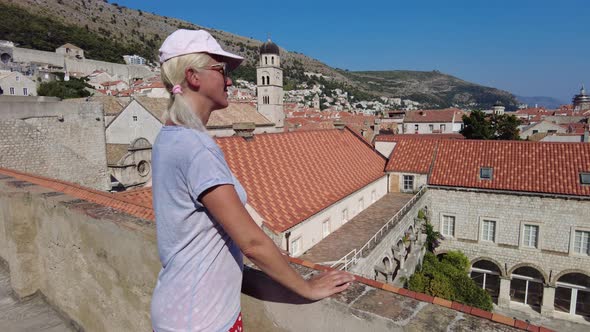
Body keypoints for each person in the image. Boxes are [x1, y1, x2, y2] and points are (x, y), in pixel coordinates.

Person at [151, 29, 354, 332]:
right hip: (201, 319)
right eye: (222, 70)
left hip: (179, 309)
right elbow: (252, 243)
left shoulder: (167, 137)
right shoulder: (196, 147)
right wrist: (307, 288)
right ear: (193, 77)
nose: (230, 80)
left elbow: (207, 228)